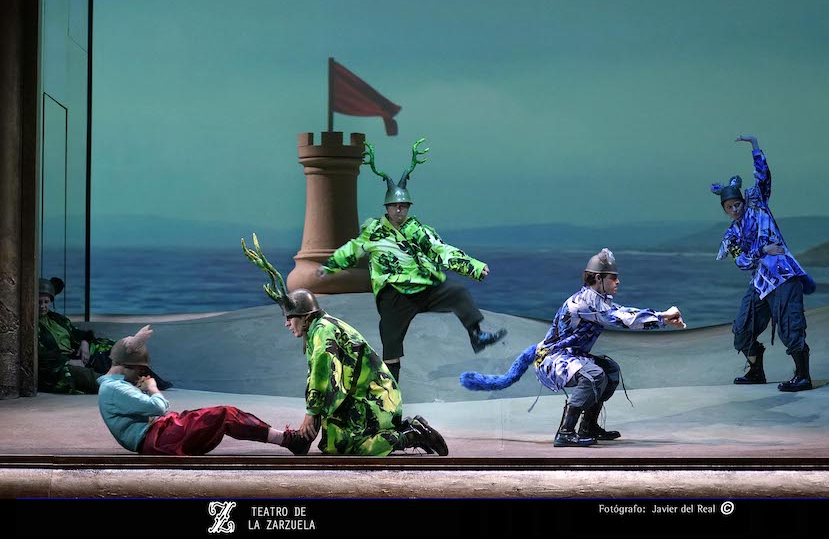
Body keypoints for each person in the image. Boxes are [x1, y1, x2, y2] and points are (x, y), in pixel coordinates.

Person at [317, 139, 506, 386]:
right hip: (393, 293)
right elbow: (353, 249)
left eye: (403, 206)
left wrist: (474, 266)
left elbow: (440, 250)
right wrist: (329, 265)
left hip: (421, 286)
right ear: (387, 207)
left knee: (457, 292)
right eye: (395, 206)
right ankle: (390, 389)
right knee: (391, 343)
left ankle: (476, 335)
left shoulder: (417, 229)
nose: (399, 210)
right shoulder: (374, 231)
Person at [245, 234, 449, 456]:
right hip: (364, 398)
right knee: (332, 444)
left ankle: (410, 435)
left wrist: (311, 413)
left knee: (346, 447)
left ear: (305, 316)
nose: (286, 323)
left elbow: (321, 375)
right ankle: (404, 429)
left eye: (290, 317)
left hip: (375, 400)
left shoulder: (323, 331)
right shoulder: (320, 328)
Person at [459, 248, 686, 447]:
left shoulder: (598, 301)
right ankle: (565, 432)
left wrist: (662, 318)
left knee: (610, 370)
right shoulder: (586, 302)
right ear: (599, 278)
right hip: (551, 358)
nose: (618, 282)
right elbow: (619, 317)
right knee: (593, 374)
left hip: (571, 356)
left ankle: (588, 427)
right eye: (613, 278)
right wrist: (662, 317)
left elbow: (622, 311)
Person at [96, 325, 310, 455]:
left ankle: (286, 439)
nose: (139, 375)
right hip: (157, 439)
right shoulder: (115, 389)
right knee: (224, 414)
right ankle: (288, 440)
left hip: (158, 433)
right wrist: (153, 389)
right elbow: (158, 407)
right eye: (139, 370)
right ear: (126, 366)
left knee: (207, 416)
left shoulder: (114, 387)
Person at [713, 135, 816, 392]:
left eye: (737, 204)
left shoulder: (758, 207)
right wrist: (762, 250)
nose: (735, 209)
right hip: (760, 282)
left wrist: (755, 147)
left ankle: (803, 376)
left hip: (783, 274)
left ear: (743, 200)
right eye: (729, 207)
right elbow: (742, 262)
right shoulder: (731, 235)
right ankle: (755, 371)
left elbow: (763, 177)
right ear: (725, 209)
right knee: (742, 328)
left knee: (790, 325)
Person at [37, 276, 114, 394]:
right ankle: (118, 386)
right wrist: (68, 361)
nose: (43, 306)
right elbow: (41, 354)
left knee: (111, 348)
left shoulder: (57, 319)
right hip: (58, 365)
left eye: (46, 302)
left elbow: (78, 333)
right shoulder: (31, 326)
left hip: (75, 354)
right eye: (39, 302)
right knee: (88, 377)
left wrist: (84, 344)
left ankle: (136, 374)